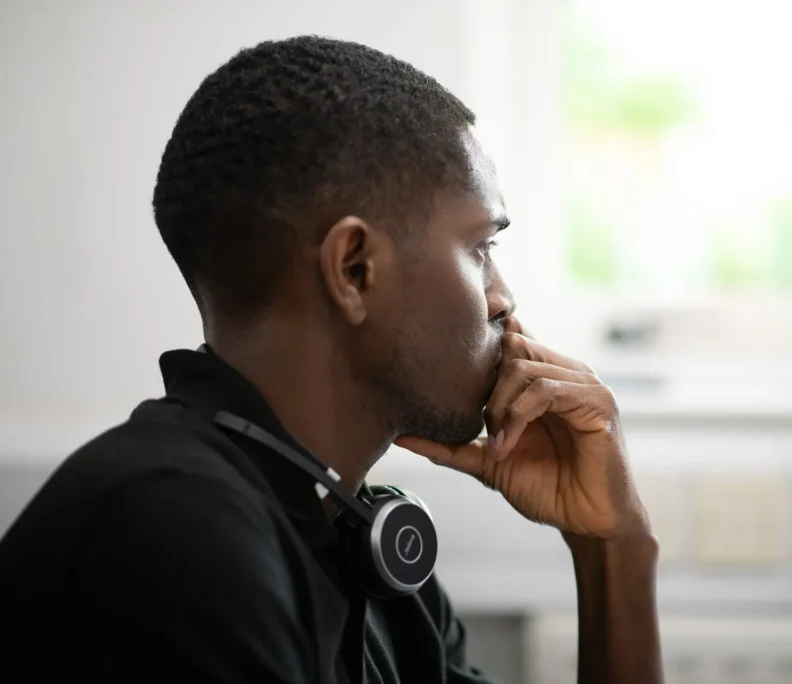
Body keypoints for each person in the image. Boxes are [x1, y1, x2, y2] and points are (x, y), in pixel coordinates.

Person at [0, 36, 663, 684]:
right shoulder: (171, 533)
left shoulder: (356, 536)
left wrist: (614, 547)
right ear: (354, 268)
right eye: (481, 248)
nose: (503, 299)